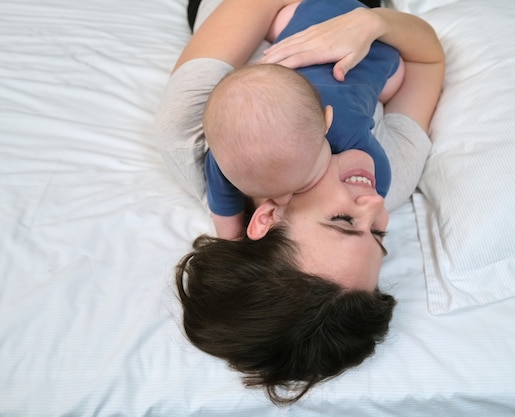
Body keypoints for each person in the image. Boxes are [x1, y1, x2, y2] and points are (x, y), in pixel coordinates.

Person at [155, 0, 444, 405]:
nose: (373, 204)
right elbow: (428, 58)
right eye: (378, 234)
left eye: (343, 221)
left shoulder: (191, 136)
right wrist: (370, 22)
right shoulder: (390, 176)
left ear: (268, 216)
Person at [203, 0, 405, 239]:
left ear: (326, 121)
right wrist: (230, 239)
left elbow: (378, 172)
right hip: (307, 10)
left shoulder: (347, 127)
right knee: (279, 26)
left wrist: (375, 209)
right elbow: (220, 192)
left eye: (300, 185)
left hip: (375, 48)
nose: (284, 199)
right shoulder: (225, 156)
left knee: (393, 81)